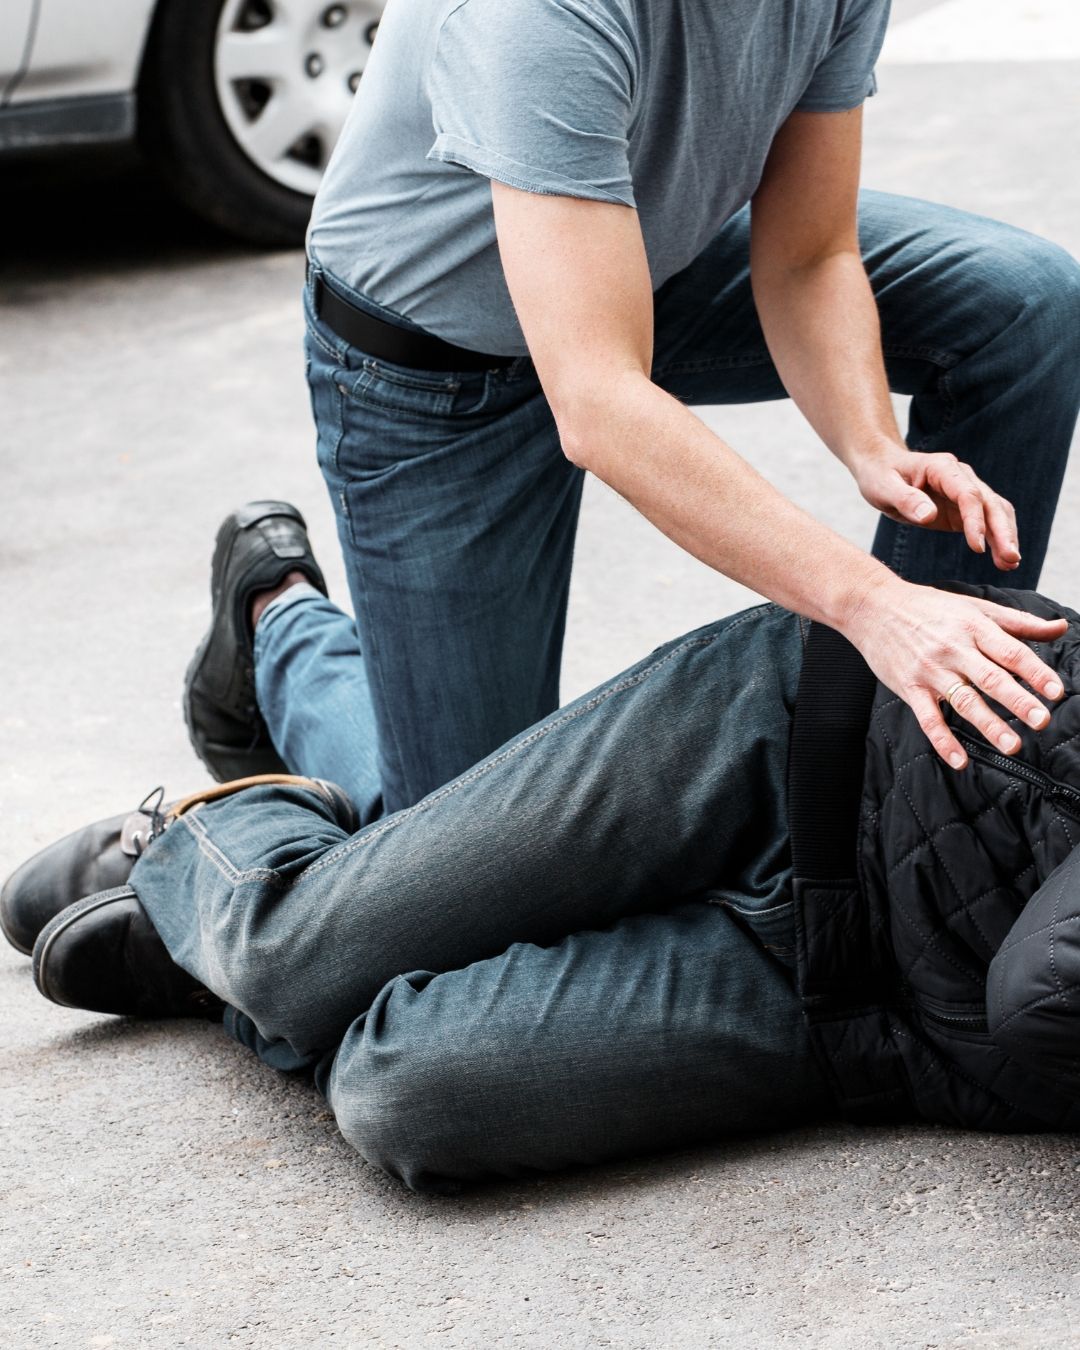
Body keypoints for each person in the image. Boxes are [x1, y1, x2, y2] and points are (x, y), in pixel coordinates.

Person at [185, 0, 1080, 818]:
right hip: (433, 369)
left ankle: (887, 789)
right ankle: (280, 623)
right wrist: (875, 604)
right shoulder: (536, 14)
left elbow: (807, 255)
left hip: (635, 260)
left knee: (1022, 304)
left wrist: (869, 442)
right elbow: (602, 402)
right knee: (459, 858)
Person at [7, 515, 1080, 1194]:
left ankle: (233, 936)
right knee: (293, 950)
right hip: (809, 740)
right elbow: (1048, 990)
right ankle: (235, 797)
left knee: (404, 1094)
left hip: (871, 1008)